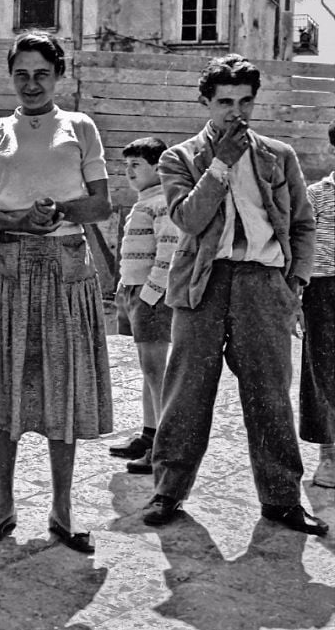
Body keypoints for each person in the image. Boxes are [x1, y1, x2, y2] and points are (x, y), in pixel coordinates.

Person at [143, 54, 328, 536]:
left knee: (269, 394)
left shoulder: (279, 155)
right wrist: (221, 163)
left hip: (264, 284)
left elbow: (303, 223)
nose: (236, 112)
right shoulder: (179, 158)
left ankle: (282, 499)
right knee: (187, 392)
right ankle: (168, 491)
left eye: (245, 101)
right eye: (225, 102)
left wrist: (295, 282)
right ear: (206, 102)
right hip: (203, 285)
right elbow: (187, 219)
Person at [0, 31, 113, 553]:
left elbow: (101, 205)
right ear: (11, 76)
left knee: (61, 388)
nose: (31, 83)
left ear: (58, 76)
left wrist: (59, 212)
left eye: (41, 74)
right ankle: (2, 505)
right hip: (6, 267)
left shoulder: (80, 127)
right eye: (21, 74)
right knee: (6, 385)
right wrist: (20, 219)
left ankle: (62, 510)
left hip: (66, 270)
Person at [110, 137, 178, 475]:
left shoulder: (164, 201)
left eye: (136, 165)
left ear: (158, 167)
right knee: (147, 369)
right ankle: (148, 435)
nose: (129, 172)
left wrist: (150, 294)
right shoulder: (146, 200)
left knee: (156, 372)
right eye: (127, 165)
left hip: (153, 297)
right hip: (137, 293)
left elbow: (168, 253)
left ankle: (163, 448)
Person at [300, 120, 335, 489]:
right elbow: (302, 247)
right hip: (324, 291)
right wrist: (297, 296)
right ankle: (328, 459)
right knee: (322, 372)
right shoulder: (318, 194)